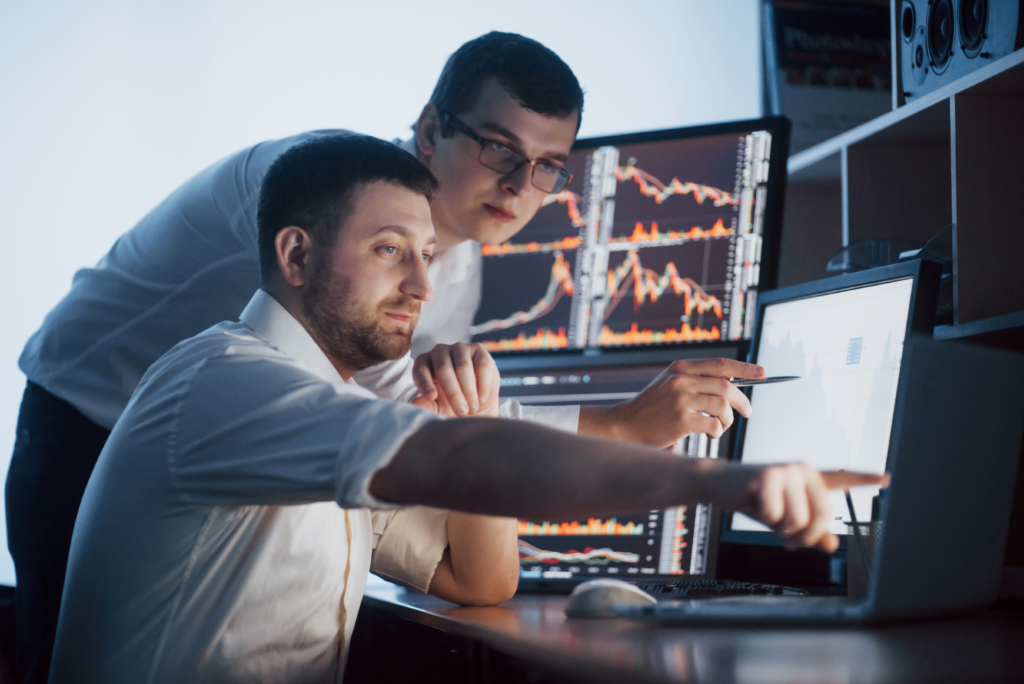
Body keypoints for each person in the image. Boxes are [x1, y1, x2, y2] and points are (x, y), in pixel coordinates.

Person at [8, 32, 752, 684]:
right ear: (431, 129)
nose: (520, 186)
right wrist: (627, 431)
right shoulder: (311, 189)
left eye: (547, 166)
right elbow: (424, 425)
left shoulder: (451, 272)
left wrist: (472, 429)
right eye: (500, 148)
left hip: (287, 451)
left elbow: (434, 427)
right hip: (89, 422)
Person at [48, 133, 880, 684]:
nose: (421, 285)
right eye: (388, 251)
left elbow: (476, 581)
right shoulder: (232, 384)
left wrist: (472, 423)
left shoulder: (322, 412)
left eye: (426, 254)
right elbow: (456, 465)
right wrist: (728, 483)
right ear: (296, 256)